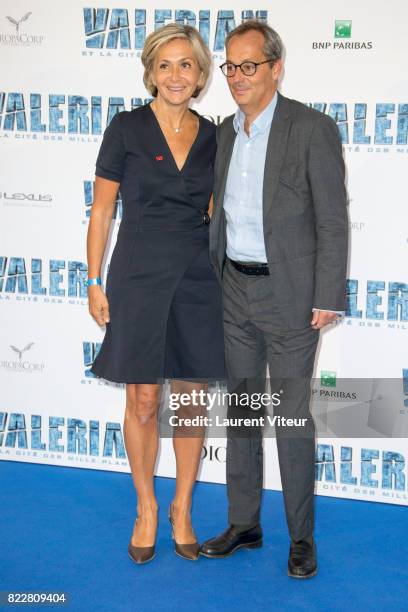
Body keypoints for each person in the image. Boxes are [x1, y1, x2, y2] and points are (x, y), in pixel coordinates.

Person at [200, 20, 348, 578]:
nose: (236, 77)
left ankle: (301, 538)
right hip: (234, 289)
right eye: (230, 67)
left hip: (290, 297)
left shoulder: (312, 129)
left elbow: (333, 220)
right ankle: (244, 523)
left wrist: (327, 294)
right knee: (240, 414)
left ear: (275, 68)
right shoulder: (224, 133)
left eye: (248, 66)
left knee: (288, 419)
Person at [86, 23, 225, 564]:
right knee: (143, 399)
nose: (175, 75)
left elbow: (220, 212)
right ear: (150, 71)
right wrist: (94, 280)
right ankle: (146, 507)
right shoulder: (125, 128)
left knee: (191, 402)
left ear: (199, 74)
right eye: (165, 65)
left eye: (185, 65)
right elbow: (101, 211)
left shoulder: (215, 136)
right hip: (138, 274)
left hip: (198, 277)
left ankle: (182, 508)